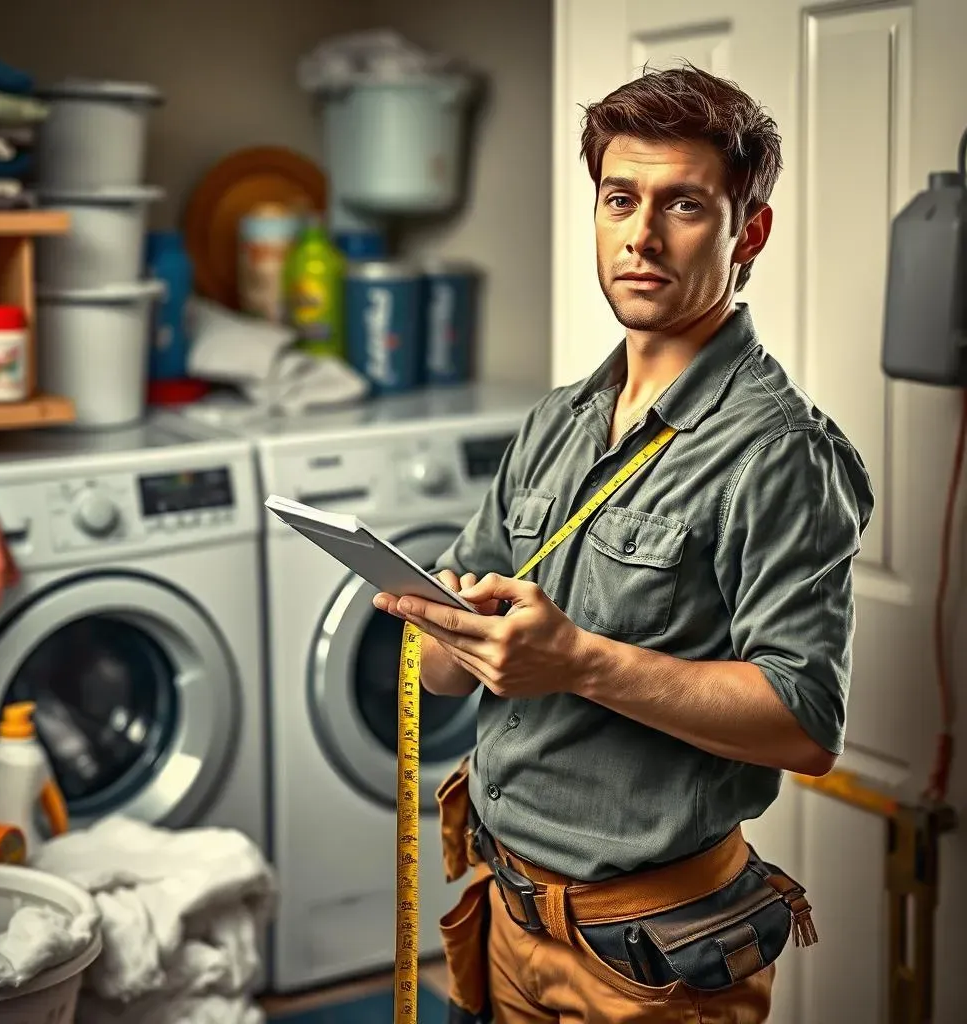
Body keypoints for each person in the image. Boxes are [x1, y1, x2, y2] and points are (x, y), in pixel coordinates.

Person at [373, 62, 875, 1024]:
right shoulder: (557, 422)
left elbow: (806, 722)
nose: (640, 236)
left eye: (684, 204)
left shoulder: (779, 454)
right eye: (619, 199)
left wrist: (575, 662)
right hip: (502, 913)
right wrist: (435, 625)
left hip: (656, 958)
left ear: (748, 232)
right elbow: (442, 673)